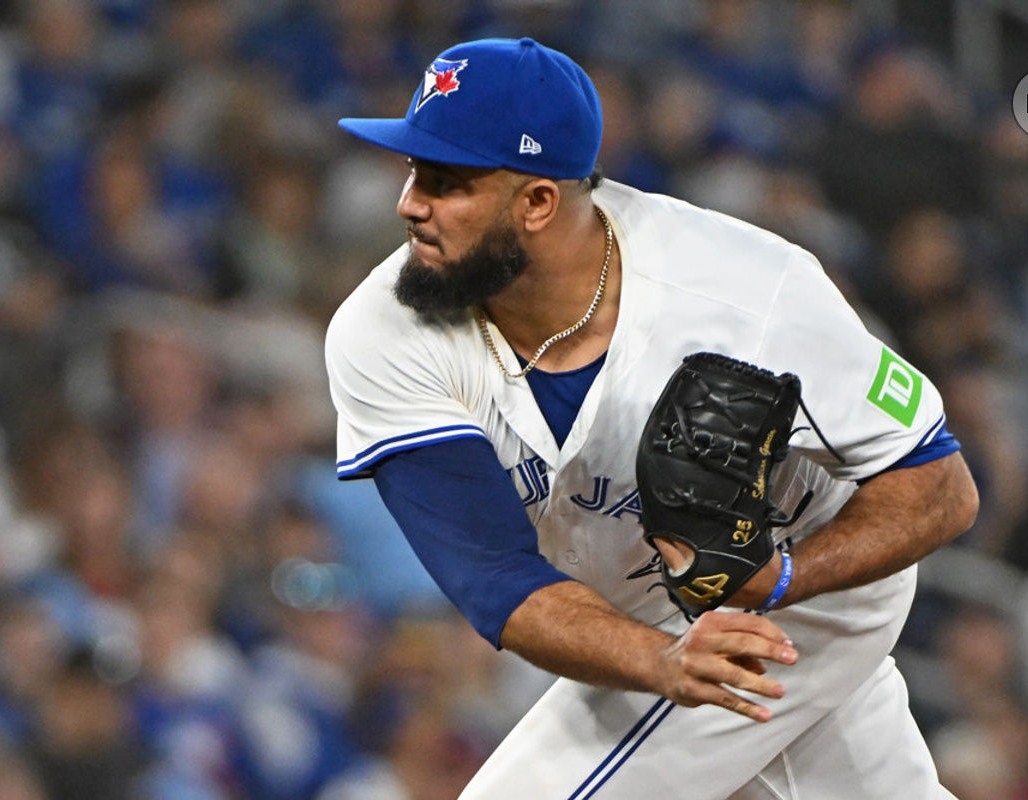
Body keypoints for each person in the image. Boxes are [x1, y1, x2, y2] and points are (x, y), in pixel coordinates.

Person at [327, 37, 978, 799]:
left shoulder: (745, 294)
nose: (410, 202)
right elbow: (496, 578)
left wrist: (784, 578)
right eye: (413, 172)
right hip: (640, 610)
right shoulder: (384, 332)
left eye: (445, 182)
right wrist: (660, 663)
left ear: (537, 202)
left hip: (806, 586)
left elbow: (941, 486)